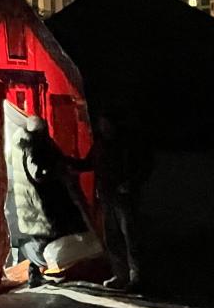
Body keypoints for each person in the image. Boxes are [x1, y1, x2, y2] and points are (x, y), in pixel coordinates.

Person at [11, 116, 89, 287]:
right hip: (40, 202)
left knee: (42, 237)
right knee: (45, 238)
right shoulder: (33, 146)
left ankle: (37, 273)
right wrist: (57, 171)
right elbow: (38, 173)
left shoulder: (23, 144)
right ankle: (39, 268)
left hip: (32, 202)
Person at [79, 111, 151, 292]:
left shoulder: (127, 144)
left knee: (130, 237)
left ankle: (137, 278)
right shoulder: (100, 145)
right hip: (107, 198)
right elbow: (88, 164)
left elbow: (145, 165)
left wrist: (131, 183)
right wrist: (65, 162)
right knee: (113, 238)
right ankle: (121, 275)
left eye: (107, 124)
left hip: (124, 198)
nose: (104, 128)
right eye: (102, 124)